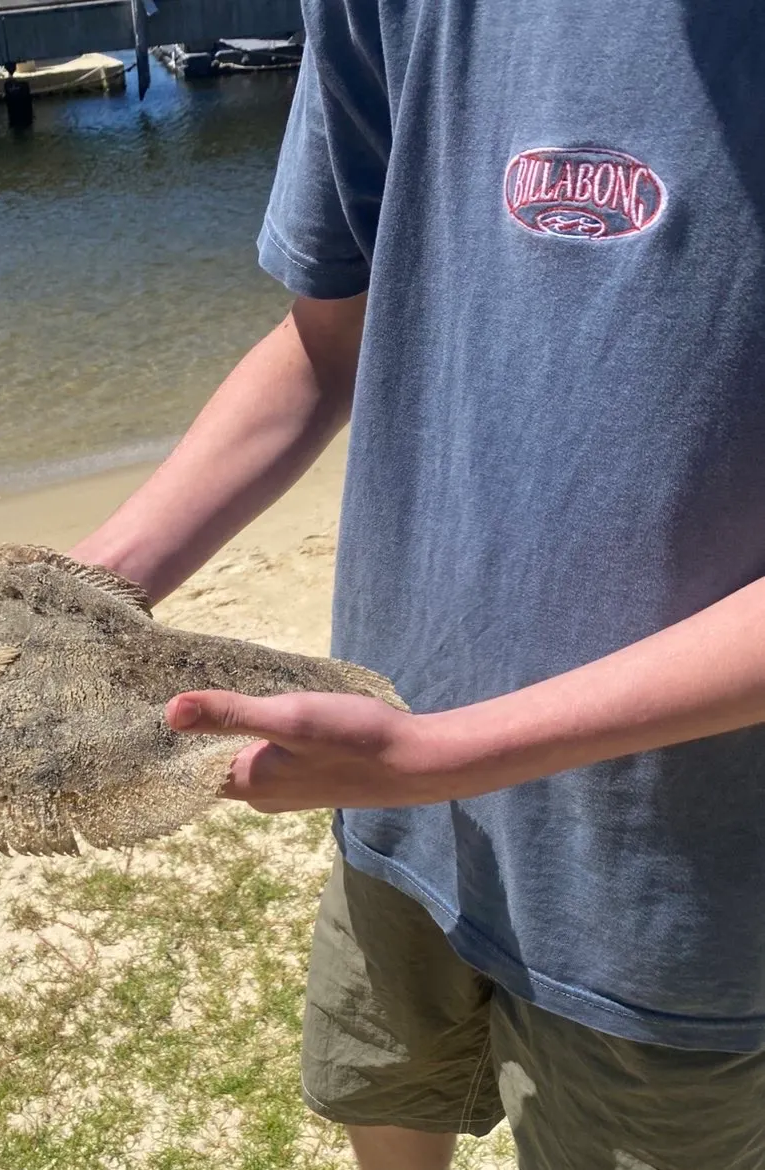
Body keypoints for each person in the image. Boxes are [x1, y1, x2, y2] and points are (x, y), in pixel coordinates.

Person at [70, 4, 765, 1168]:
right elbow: (327, 344)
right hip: (395, 795)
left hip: (677, 873)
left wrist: (452, 752)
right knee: (383, 1115)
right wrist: (67, 601)